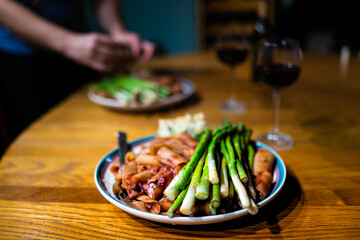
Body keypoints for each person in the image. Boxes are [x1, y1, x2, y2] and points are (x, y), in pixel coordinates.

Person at [0, 0, 155, 155]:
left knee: (92, 133)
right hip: (21, 58)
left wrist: (118, 32)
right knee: (35, 147)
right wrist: (67, 43)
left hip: (81, 50)